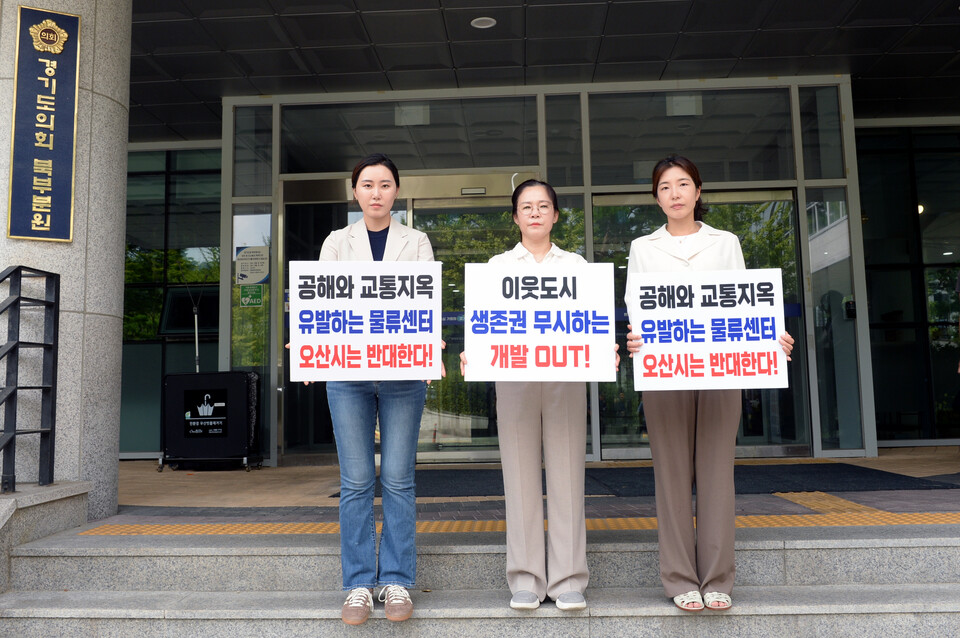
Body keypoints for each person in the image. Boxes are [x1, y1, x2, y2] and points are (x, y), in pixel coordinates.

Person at [625, 155, 794, 612]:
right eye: (665, 187)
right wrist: (637, 339)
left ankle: (718, 577)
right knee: (672, 474)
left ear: (699, 193)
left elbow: (744, 303)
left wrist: (769, 336)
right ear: (656, 198)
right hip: (664, 372)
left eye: (683, 185)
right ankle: (680, 577)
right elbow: (637, 310)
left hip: (721, 370)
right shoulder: (643, 248)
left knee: (718, 472)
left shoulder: (726, 243)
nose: (675, 193)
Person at [460, 179, 616, 611]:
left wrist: (607, 348)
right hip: (513, 379)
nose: (534, 213)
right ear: (515, 217)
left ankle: (568, 579)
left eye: (543, 206)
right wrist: (472, 353)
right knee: (520, 476)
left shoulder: (579, 267)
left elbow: (594, 323)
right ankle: (526, 578)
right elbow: (484, 326)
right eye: (526, 207)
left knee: (567, 474)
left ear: (555, 215)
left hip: (566, 378)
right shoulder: (496, 267)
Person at [320, 153, 434, 625]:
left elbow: (424, 297)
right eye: (367, 184)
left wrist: (430, 345)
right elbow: (322, 299)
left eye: (385, 184)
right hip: (347, 373)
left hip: (403, 374)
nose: (376, 192)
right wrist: (308, 343)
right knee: (356, 481)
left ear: (396, 191)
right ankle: (358, 585)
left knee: (399, 480)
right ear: (355, 192)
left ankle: (398, 581)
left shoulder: (417, 240)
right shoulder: (335, 241)